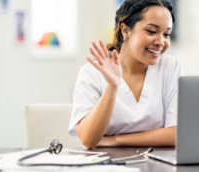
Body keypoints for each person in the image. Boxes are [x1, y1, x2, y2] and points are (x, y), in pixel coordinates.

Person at [68, 0, 181, 149]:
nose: (161, 42)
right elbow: (88, 139)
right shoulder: (92, 72)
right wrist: (112, 87)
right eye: (151, 31)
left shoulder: (169, 67)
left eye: (166, 34)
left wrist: (115, 140)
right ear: (125, 30)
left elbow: (177, 134)